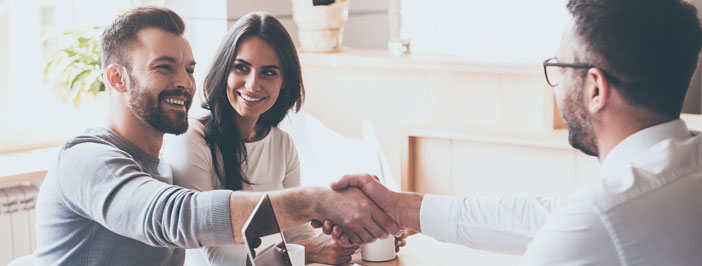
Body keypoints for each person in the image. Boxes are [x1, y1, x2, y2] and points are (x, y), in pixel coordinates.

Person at [328, 0, 702, 265]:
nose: (555, 83)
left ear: (595, 89)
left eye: (560, 66)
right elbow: (547, 217)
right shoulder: (680, 168)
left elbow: (580, 221)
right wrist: (401, 208)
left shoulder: (602, 217)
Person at [33, 7, 399, 266]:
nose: (183, 82)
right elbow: (177, 216)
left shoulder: (158, 166)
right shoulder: (87, 159)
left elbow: (289, 238)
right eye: (164, 67)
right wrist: (316, 201)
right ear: (116, 78)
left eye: (188, 69)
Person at [162, 12, 405, 265]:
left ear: (284, 82)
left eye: (268, 73)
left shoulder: (282, 144)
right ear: (224, 70)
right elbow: (219, 257)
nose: (253, 84)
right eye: (242, 68)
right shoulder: (190, 141)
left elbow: (298, 232)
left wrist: (357, 237)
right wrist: (309, 250)